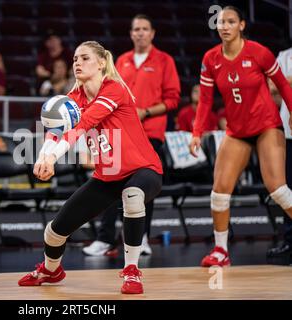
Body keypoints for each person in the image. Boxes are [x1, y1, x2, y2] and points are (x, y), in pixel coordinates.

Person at [18, 41, 163, 294]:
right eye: (75, 59)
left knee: (133, 196)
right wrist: (43, 156)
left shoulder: (114, 89)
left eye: (84, 58)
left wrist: (53, 158)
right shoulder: (73, 99)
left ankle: (132, 272)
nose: (77, 63)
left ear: (101, 63)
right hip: (107, 176)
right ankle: (51, 270)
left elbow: (83, 124)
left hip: (144, 170)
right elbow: (54, 130)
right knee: (53, 232)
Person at [189, 6, 292, 267]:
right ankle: (221, 251)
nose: (224, 26)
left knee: (278, 190)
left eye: (230, 22)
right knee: (219, 193)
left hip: (267, 125)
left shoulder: (259, 53)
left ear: (242, 25)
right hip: (237, 130)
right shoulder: (210, 58)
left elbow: (283, 85)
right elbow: (205, 101)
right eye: (221, 22)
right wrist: (197, 132)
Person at [83, 14, 180, 257]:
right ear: (130, 33)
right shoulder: (121, 61)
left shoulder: (164, 61)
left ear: (152, 33)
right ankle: (105, 238)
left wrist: (146, 111)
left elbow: (173, 99)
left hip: (150, 133)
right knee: (110, 181)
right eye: (136, 29)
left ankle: (141, 237)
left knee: (143, 186)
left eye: (145, 29)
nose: (140, 33)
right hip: (120, 133)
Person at [266, 47, 292, 258]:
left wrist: (285, 81)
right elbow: (273, 85)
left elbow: (280, 82)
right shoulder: (283, 55)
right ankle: (289, 240)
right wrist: (282, 82)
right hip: (288, 131)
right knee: (287, 188)